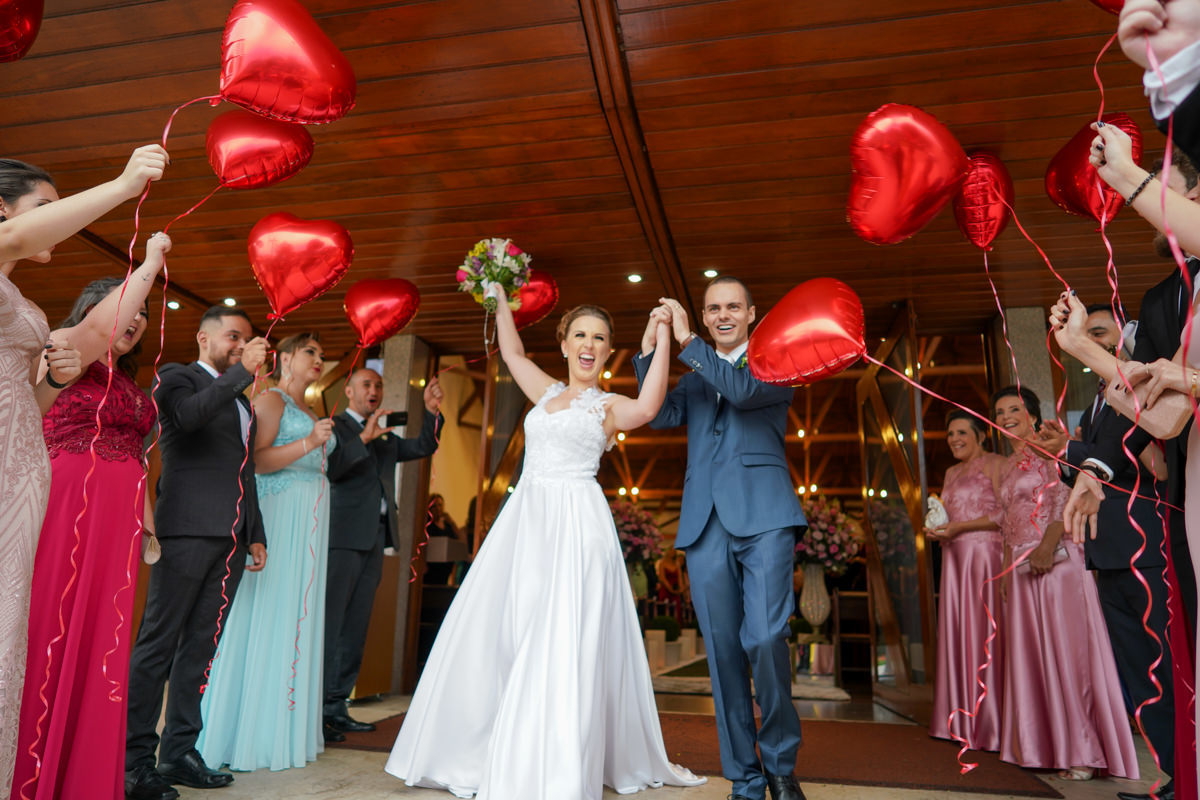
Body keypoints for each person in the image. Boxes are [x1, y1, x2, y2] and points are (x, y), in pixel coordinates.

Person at [385, 288, 704, 797]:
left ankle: (554, 757)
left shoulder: (609, 405)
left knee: (560, 634)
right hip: (526, 522)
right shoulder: (545, 390)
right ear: (564, 343)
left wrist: (663, 335)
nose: (589, 343)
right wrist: (499, 297)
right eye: (580, 334)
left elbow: (648, 406)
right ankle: (492, 744)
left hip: (577, 526)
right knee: (507, 627)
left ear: (606, 351)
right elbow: (511, 353)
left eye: (599, 338)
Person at [0, 146, 166, 795]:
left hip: (21, 470)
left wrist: (149, 267)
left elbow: (85, 346)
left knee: (10, 637)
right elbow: (13, 236)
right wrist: (124, 186)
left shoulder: (19, 297)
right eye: (48, 206)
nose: (58, 218)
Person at [633, 280, 807, 800]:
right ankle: (745, 778)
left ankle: (779, 765)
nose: (723, 314)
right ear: (707, 317)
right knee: (724, 655)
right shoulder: (695, 373)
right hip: (703, 523)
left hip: (767, 517)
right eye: (714, 308)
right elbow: (658, 413)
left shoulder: (779, 359)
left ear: (752, 313)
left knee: (765, 637)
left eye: (733, 306)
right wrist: (650, 348)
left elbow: (742, 390)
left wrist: (687, 343)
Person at [125, 306, 270, 800]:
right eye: (232, 336)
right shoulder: (176, 377)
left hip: (229, 538)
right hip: (186, 530)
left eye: (246, 339)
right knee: (158, 645)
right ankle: (132, 759)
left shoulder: (243, 403)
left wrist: (256, 531)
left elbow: (244, 469)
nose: (240, 344)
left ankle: (179, 751)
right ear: (204, 338)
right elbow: (187, 419)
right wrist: (241, 373)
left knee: (200, 649)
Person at [1039, 303, 1177, 798]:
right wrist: (1066, 453)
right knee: (1140, 673)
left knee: (1165, 667)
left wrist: (1071, 452)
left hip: (1147, 548)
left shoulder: (1143, 390)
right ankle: (1174, 778)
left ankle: (1185, 777)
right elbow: (1095, 469)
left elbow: (1145, 462)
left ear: (1126, 337)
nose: (1089, 341)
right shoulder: (1099, 399)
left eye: (1099, 332)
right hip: (1107, 552)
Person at [196, 332, 335, 771]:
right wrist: (310, 444)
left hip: (309, 525)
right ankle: (245, 733)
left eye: (322, 353)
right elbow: (253, 460)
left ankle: (283, 726)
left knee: (296, 616)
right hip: (279, 517)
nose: (319, 359)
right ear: (287, 357)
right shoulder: (272, 400)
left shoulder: (311, 409)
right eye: (311, 351)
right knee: (269, 613)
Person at [990, 386, 1137, 781]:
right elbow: (1008, 522)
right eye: (1000, 411)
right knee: (1036, 660)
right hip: (1021, 570)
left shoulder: (1050, 449)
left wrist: (1047, 546)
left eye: (1014, 409)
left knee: (1070, 657)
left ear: (1033, 414)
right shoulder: (1008, 465)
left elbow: (1069, 495)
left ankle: (1084, 752)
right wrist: (1006, 568)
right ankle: (1045, 745)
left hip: (1058, 564)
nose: (1005, 417)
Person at [324, 367, 442, 739]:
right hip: (340, 538)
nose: (373, 390)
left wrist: (432, 413)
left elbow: (424, 446)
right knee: (332, 626)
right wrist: (364, 437)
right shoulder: (335, 426)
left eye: (378, 384)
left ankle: (336, 705)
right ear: (348, 390)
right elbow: (333, 469)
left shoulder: (387, 436)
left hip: (375, 538)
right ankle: (316, 709)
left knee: (356, 628)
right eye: (366, 384)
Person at [926, 410, 1007, 752]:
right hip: (955, 559)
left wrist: (962, 527)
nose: (954, 439)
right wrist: (940, 527)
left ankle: (991, 720)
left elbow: (1007, 512)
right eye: (950, 434)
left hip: (985, 557)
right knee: (958, 632)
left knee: (984, 632)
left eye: (962, 432)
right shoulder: (950, 472)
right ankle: (959, 717)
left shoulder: (996, 464)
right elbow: (951, 513)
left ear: (981, 435)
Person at [424, 492, 463, 586]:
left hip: (446, 569)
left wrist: (452, 522)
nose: (438, 508)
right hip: (432, 568)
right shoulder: (428, 525)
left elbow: (460, 539)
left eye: (440, 505)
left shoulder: (447, 525)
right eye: (434, 506)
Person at [655, 548, 689, 623]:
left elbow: (680, 579)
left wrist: (680, 590)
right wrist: (671, 589)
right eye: (671, 551)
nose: (672, 553)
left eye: (674, 552)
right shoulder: (662, 564)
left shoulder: (677, 565)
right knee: (665, 610)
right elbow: (662, 579)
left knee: (677, 611)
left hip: (675, 591)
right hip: (665, 590)